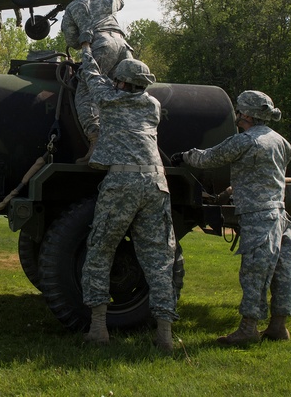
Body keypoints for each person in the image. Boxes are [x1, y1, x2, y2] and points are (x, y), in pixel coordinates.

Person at [171, 90, 291, 344]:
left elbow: (210, 157)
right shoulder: (281, 141)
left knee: (254, 273)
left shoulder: (246, 141)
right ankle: (279, 327)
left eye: (239, 110)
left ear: (246, 114)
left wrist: (183, 157)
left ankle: (249, 329)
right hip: (281, 214)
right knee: (282, 272)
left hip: (258, 215)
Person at [79, 43, 177, 353]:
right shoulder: (153, 106)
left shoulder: (110, 99)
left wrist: (86, 51)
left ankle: (98, 329)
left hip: (123, 181)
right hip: (156, 183)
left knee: (100, 251)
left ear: (121, 82)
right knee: (160, 260)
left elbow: (92, 78)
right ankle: (165, 335)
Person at [60, 0, 131, 162]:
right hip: (123, 47)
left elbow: (73, 40)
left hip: (100, 47)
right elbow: (121, 0)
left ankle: (97, 143)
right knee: (128, 93)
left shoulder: (73, 7)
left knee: (85, 92)